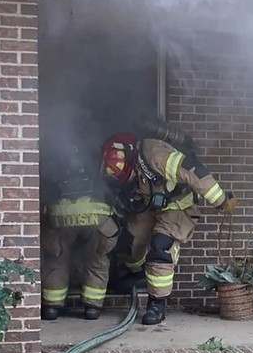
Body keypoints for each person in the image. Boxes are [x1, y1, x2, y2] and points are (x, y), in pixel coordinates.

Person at [97, 131, 237, 325]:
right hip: (151, 207)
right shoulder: (127, 169)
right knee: (129, 240)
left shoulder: (155, 156)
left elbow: (193, 171)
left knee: (161, 246)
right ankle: (138, 274)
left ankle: (157, 304)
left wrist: (221, 200)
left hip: (178, 206)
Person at [40, 164, 113, 321]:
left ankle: (52, 307)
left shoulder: (57, 164)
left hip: (61, 215)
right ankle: (92, 308)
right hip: (97, 216)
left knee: (57, 259)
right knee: (96, 259)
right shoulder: (98, 164)